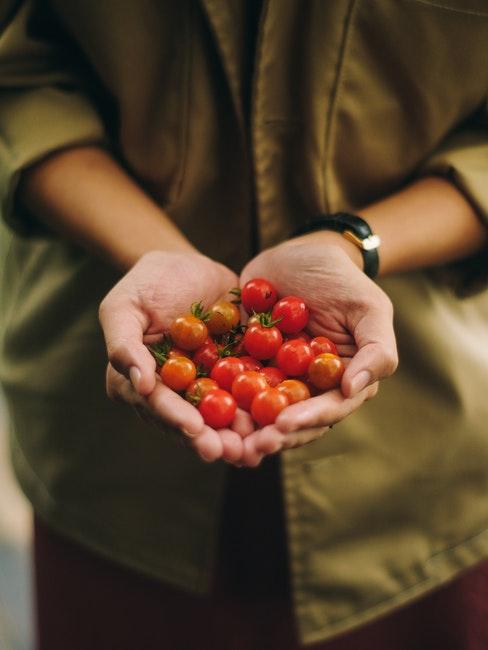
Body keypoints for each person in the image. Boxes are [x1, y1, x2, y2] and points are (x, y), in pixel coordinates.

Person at [1, 1, 488, 648]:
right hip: (113, 472)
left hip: (421, 467)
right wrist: (155, 251)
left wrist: (353, 244)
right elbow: (17, 75)